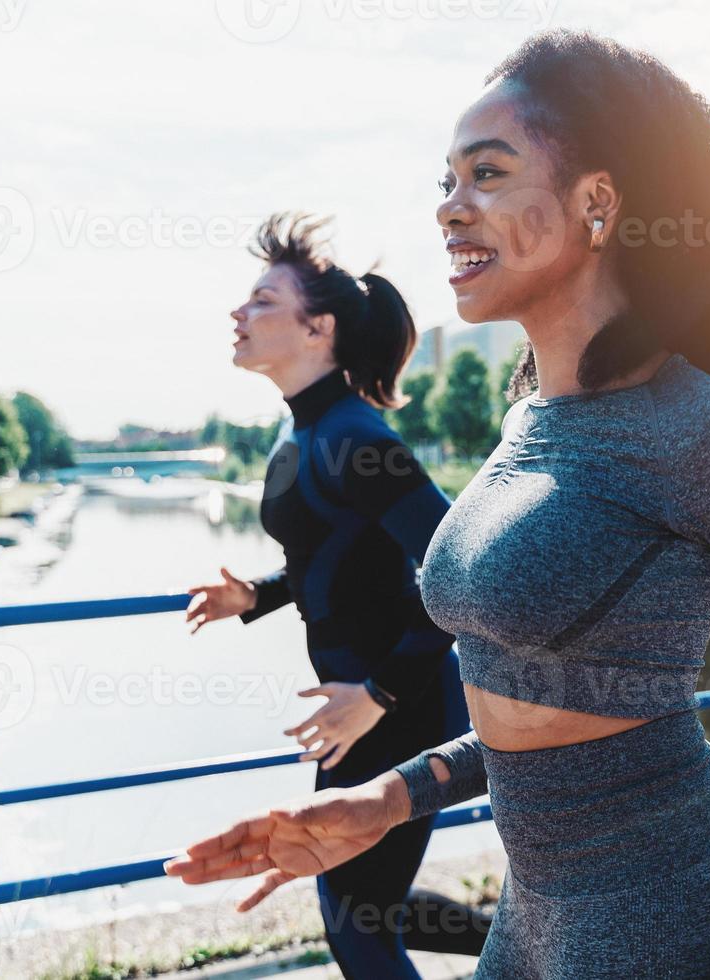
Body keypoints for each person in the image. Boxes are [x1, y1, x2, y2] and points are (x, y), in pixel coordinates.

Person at [167, 34, 710, 979]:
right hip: (531, 912)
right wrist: (382, 804)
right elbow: (545, 707)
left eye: (486, 174)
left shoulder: (709, 436)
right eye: (445, 181)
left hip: (670, 919)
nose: (450, 209)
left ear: (598, 203)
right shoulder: (528, 420)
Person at [181, 213, 489, 977]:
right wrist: (255, 594)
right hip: (366, 711)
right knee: (356, 903)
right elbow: (336, 556)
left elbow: (460, 572)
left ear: (317, 328)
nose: (238, 313)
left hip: (402, 704)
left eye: (260, 300)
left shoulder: (356, 437)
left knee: (357, 924)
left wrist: (380, 693)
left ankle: (538, 944)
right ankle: (534, 943)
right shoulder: (303, 432)